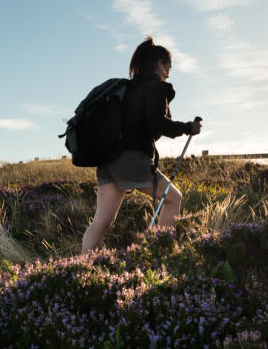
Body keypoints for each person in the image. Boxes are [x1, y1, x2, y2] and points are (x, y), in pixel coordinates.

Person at [81, 37, 202, 253]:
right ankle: (161, 253)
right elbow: (157, 123)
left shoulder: (129, 88)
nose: (169, 71)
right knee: (174, 199)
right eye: (168, 65)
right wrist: (187, 128)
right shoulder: (155, 88)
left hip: (108, 159)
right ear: (158, 63)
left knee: (102, 221)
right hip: (130, 159)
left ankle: (79, 267)